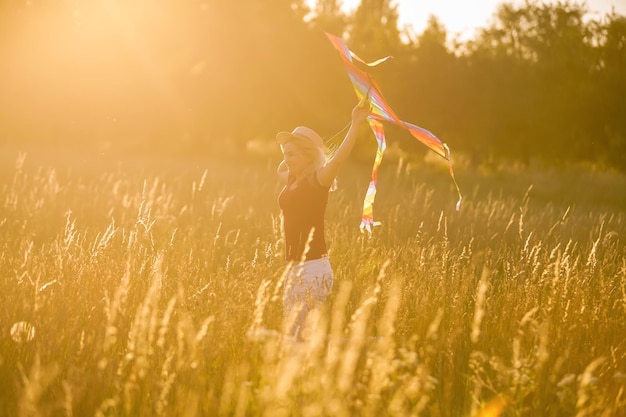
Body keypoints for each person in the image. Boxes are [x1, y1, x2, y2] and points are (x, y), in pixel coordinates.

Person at [276, 99, 370, 339]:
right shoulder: (292, 178)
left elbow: (337, 160)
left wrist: (355, 124)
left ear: (308, 157)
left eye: (292, 155)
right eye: (285, 154)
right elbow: (281, 169)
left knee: (297, 342)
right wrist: (291, 147)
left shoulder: (318, 181)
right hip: (295, 268)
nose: (286, 159)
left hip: (312, 268)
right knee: (297, 338)